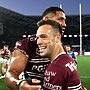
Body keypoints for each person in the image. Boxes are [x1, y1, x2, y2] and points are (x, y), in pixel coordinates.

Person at [5, 7, 67, 90]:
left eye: (64, 20)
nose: (64, 24)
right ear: (46, 19)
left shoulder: (62, 48)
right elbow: (12, 73)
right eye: (60, 19)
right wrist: (19, 84)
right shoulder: (26, 44)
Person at [36, 20, 82, 90]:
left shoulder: (56, 67)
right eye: (38, 38)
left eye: (44, 37)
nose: (38, 42)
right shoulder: (67, 59)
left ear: (57, 38)